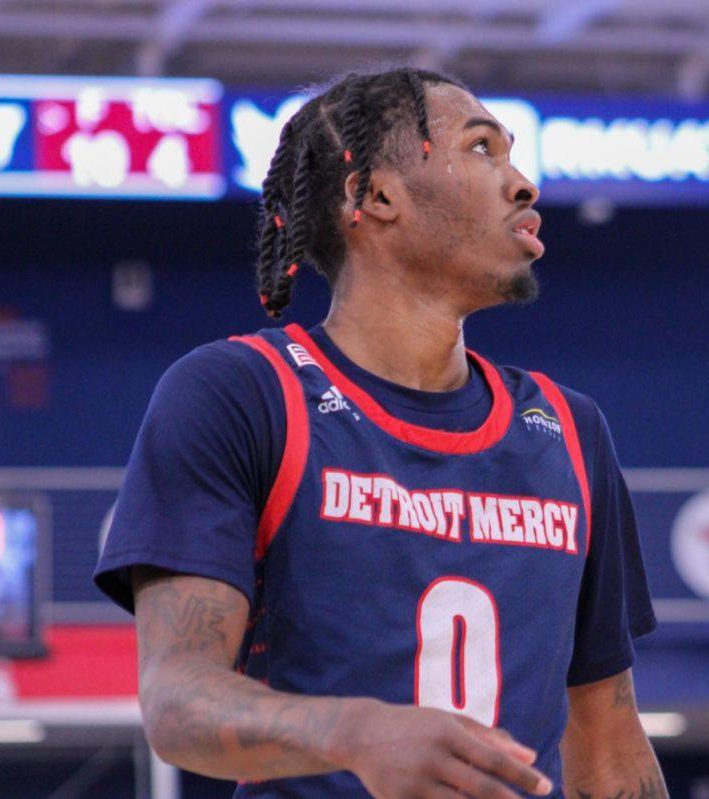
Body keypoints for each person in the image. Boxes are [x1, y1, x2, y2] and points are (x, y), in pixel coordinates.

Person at [94, 65, 664, 799]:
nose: (523, 183)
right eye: (482, 149)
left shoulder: (569, 430)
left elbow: (611, 753)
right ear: (375, 193)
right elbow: (178, 703)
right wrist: (359, 733)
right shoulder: (241, 393)